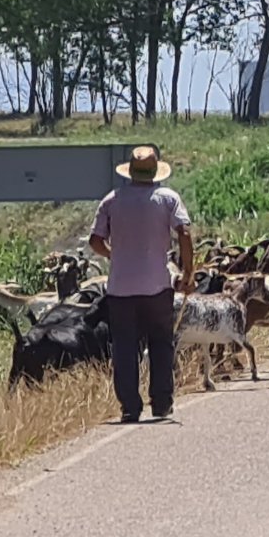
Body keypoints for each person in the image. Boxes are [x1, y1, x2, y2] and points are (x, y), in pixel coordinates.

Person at [87, 144, 195, 423]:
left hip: (120, 289)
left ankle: (129, 407)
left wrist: (115, 254)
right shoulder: (168, 198)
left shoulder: (111, 200)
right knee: (161, 342)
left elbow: (95, 241)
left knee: (124, 346)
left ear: (130, 172)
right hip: (158, 285)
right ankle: (161, 402)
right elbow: (184, 231)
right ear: (155, 172)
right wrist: (188, 272)